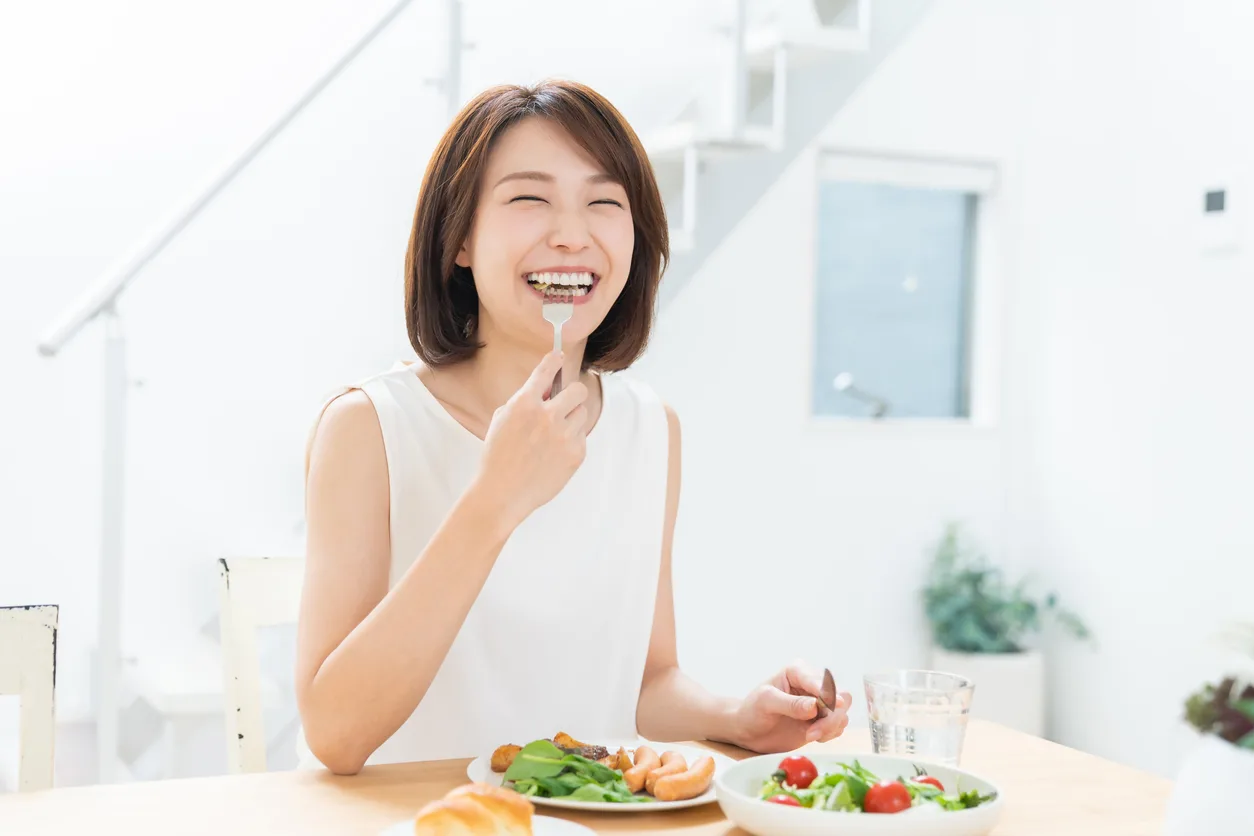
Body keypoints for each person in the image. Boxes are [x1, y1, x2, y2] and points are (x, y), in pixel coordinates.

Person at [294, 79, 852, 775]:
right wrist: (495, 499)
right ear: (459, 238)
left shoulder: (651, 430)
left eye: (604, 203)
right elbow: (336, 735)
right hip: (413, 819)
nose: (571, 234)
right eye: (530, 200)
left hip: (584, 817)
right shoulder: (369, 427)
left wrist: (735, 717)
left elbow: (645, 683)